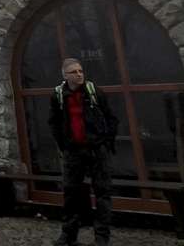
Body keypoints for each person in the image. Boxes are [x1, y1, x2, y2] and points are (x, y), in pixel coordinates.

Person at [49, 57, 118, 246]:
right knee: (71, 193)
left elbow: (111, 117)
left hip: (96, 149)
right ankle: (68, 235)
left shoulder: (94, 92)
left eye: (80, 71)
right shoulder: (58, 96)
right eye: (74, 72)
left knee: (102, 192)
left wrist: (105, 141)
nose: (79, 75)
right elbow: (54, 122)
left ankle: (101, 238)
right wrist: (64, 144)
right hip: (73, 151)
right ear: (65, 75)